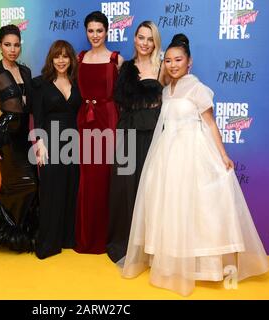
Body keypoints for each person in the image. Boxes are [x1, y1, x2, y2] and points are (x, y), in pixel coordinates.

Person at [120, 34, 269, 296]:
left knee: (196, 208)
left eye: (178, 60)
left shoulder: (198, 88)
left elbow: (210, 123)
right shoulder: (167, 90)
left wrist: (222, 155)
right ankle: (170, 260)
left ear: (189, 62)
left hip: (192, 151)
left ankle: (203, 267)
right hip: (168, 153)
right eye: (168, 60)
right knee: (170, 206)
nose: (173, 64)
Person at [0, 24, 38, 252]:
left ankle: (22, 232)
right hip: (5, 135)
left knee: (32, 183)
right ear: (0, 46)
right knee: (15, 184)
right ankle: (8, 233)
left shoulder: (26, 72)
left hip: (25, 134)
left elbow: (32, 105)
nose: (12, 49)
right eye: (7, 45)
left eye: (16, 45)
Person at [107, 21, 163, 263]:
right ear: (134, 39)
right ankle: (128, 242)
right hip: (129, 133)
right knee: (125, 187)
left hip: (153, 135)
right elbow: (120, 101)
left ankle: (151, 246)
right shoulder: (126, 67)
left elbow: (171, 100)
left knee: (150, 188)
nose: (145, 43)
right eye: (141, 37)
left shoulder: (162, 67)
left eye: (150, 39)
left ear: (155, 42)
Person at [75, 11, 124, 254]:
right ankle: (86, 236)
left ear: (107, 32)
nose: (95, 35)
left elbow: (122, 96)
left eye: (99, 30)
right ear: (86, 32)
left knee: (105, 177)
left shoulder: (117, 59)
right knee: (87, 177)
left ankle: (105, 237)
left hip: (108, 120)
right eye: (91, 30)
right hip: (85, 121)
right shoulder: (79, 58)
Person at [32, 40, 81, 259]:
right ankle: (49, 243)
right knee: (51, 190)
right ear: (51, 59)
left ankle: (67, 238)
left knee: (71, 189)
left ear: (71, 59)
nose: (61, 60)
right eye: (57, 56)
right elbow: (38, 117)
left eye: (65, 56)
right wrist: (40, 144)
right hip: (50, 141)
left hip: (74, 142)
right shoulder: (41, 84)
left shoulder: (78, 82)